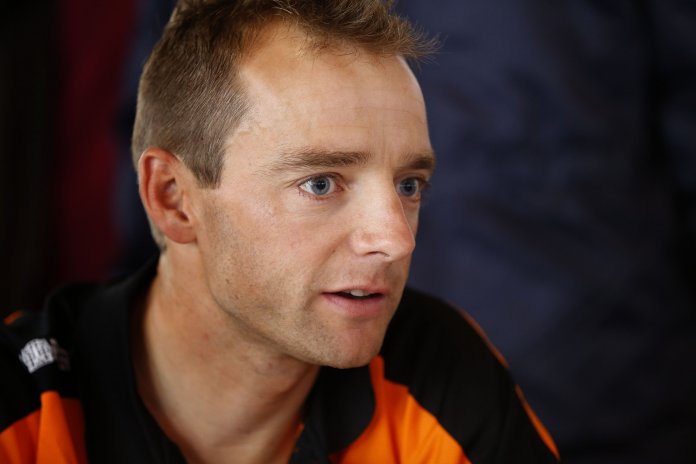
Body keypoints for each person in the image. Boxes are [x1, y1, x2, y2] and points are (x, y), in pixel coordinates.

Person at [0, 1, 560, 462]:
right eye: (320, 183)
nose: (396, 240)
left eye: (409, 185)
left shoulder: (436, 370)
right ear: (173, 198)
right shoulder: (18, 407)